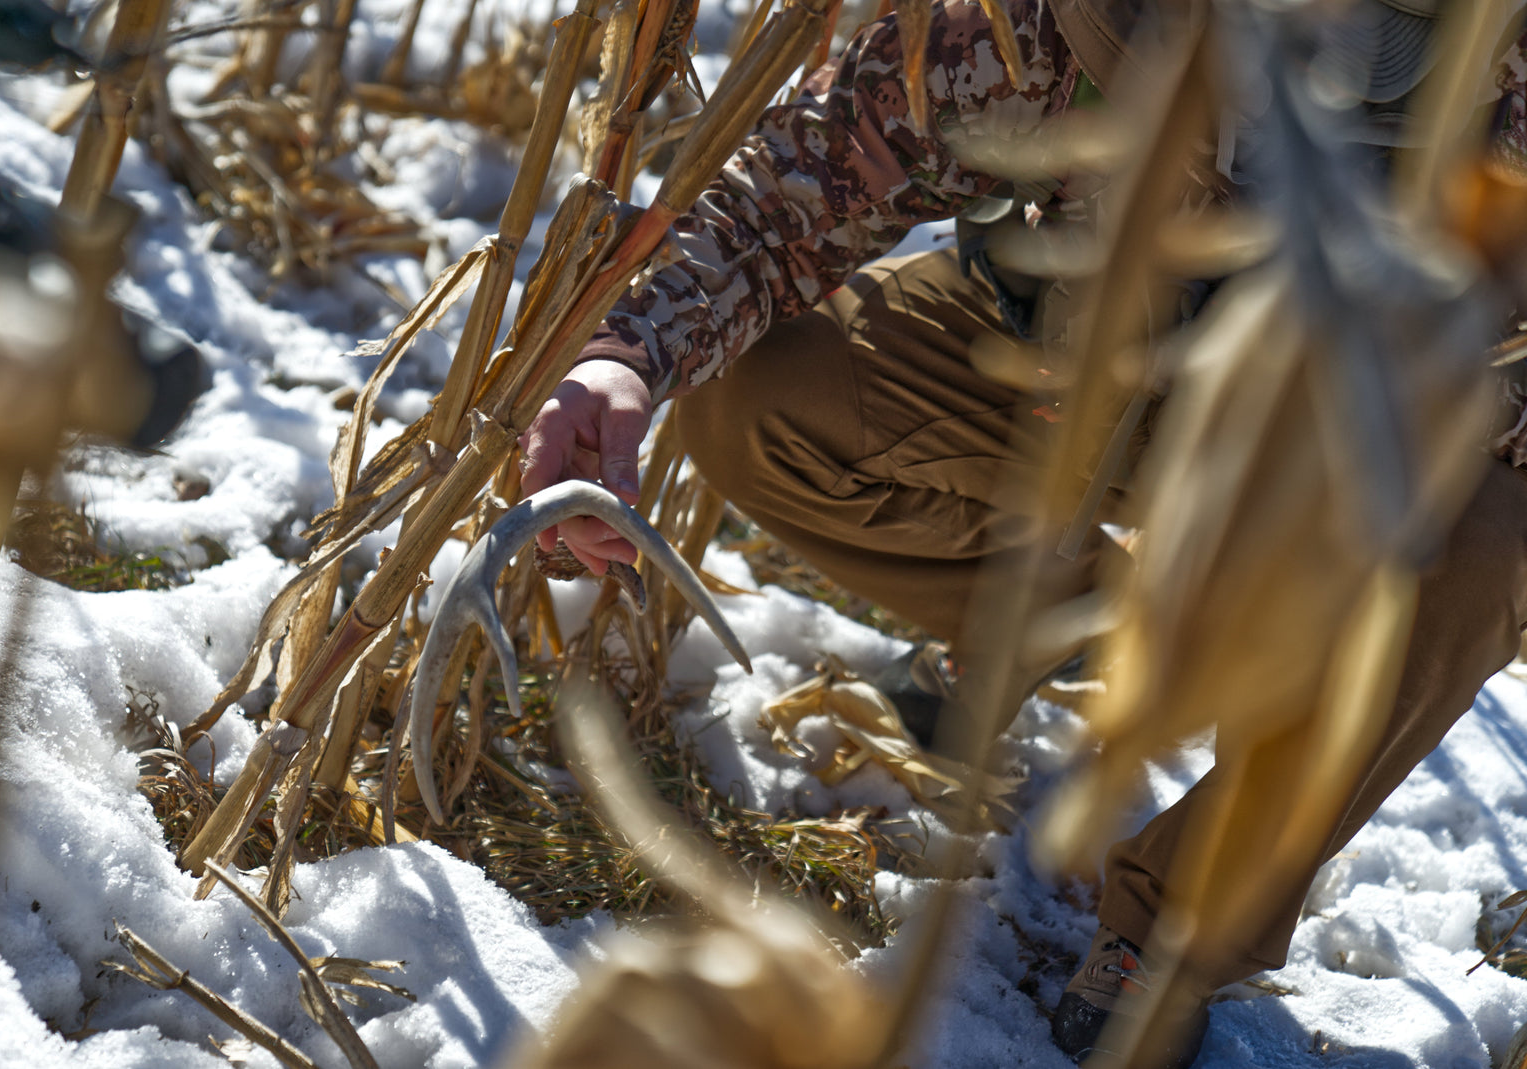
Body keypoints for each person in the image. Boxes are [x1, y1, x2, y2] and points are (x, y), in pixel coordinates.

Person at [518, 1, 1527, 1064]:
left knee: (1490, 547)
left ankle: (1169, 931)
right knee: (757, 401)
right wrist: (624, 355)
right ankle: (1081, 627)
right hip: (1074, 391)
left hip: (1366, 471)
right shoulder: (1073, 20)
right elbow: (801, 178)